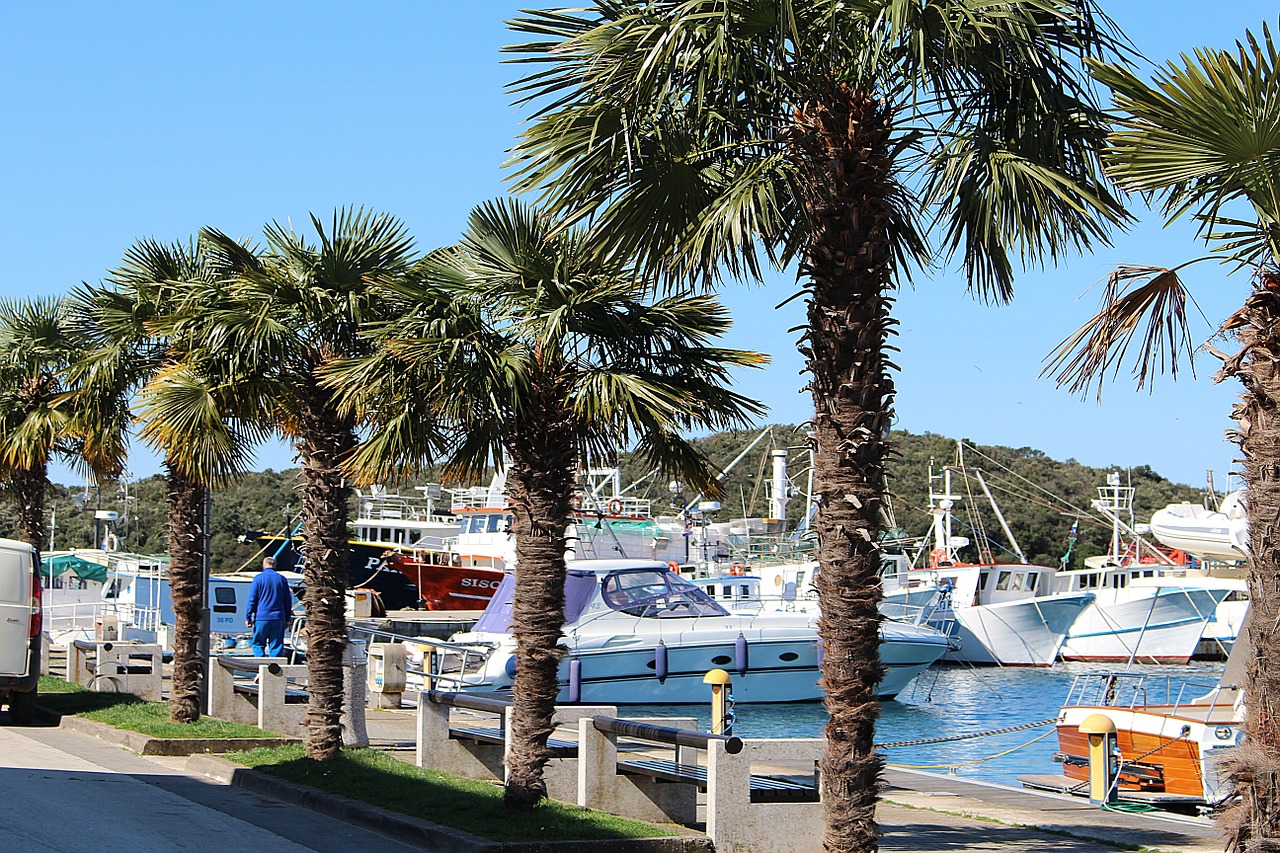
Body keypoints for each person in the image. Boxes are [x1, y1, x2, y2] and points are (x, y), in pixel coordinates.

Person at [247, 557, 293, 657]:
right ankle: (274, 667)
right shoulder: (282, 579)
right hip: (278, 617)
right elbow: (288, 601)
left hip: (262, 617)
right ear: (275, 565)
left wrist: (248, 616)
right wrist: (287, 618)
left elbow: (252, 599)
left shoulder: (258, 579)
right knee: (276, 645)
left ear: (263, 565)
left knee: (258, 643)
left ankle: (260, 664)